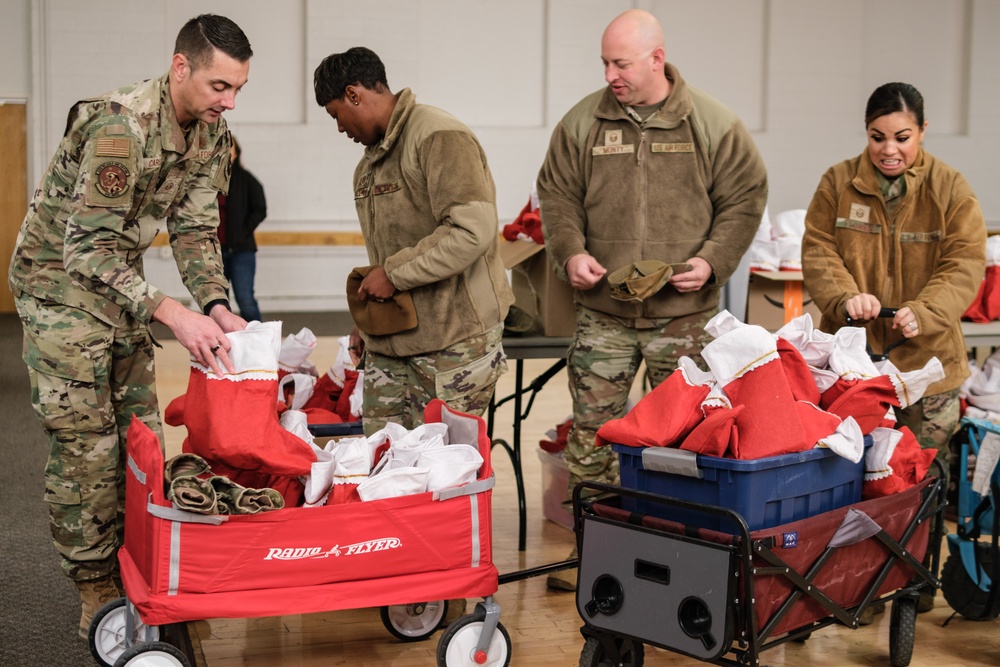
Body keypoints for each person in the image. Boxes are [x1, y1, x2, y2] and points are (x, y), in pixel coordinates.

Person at [8, 14, 252, 639]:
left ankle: (143, 564)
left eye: (237, 90)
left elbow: (196, 233)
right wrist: (174, 314)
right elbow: (83, 250)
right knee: (87, 446)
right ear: (181, 68)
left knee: (140, 432)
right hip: (59, 290)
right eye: (219, 86)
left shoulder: (211, 136)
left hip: (118, 287)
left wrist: (218, 304)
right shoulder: (119, 127)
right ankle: (94, 589)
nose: (228, 102)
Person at [535, 9, 768, 591]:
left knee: (688, 443)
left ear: (656, 60)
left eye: (622, 63)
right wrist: (568, 253)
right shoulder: (582, 123)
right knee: (594, 439)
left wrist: (714, 260)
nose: (611, 74)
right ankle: (596, 558)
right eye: (605, 63)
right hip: (604, 315)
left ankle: (684, 564)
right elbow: (556, 195)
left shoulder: (710, 123)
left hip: (684, 319)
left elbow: (744, 196)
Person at [802, 82, 986, 616]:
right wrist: (843, 296)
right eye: (878, 137)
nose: (889, 149)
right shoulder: (838, 183)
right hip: (858, 367)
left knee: (924, 478)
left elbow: (965, 263)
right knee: (857, 477)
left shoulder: (950, 189)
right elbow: (818, 249)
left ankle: (918, 579)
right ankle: (863, 579)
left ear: (922, 132)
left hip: (928, 368)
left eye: (902, 137)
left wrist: (924, 312)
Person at [313, 47, 514, 436]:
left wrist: (392, 275)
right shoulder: (369, 165)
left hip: (453, 342)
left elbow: (470, 230)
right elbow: (388, 251)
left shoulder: (438, 136)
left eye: (336, 114)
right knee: (385, 462)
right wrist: (369, 325)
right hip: (394, 345)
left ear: (354, 94)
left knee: (443, 473)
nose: (339, 128)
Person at [219, 135, 267, 322]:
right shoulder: (206, 182)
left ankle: (259, 342)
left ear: (236, 152)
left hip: (242, 251)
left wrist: (243, 231)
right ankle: (221, 345)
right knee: (218, 304)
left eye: (229, 149)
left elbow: (260, 210)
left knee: (245, 299)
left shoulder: (247, 180)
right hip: (215, 252)